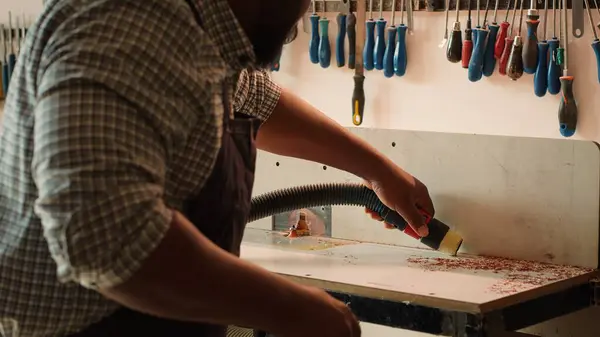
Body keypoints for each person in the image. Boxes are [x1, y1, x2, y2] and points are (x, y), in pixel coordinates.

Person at [0, 0, 435, 336]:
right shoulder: (131, 22)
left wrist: (377, 171)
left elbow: (257, 101)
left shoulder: (191, 32)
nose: (302, 15)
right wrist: (299, 309)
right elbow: (103, 236)